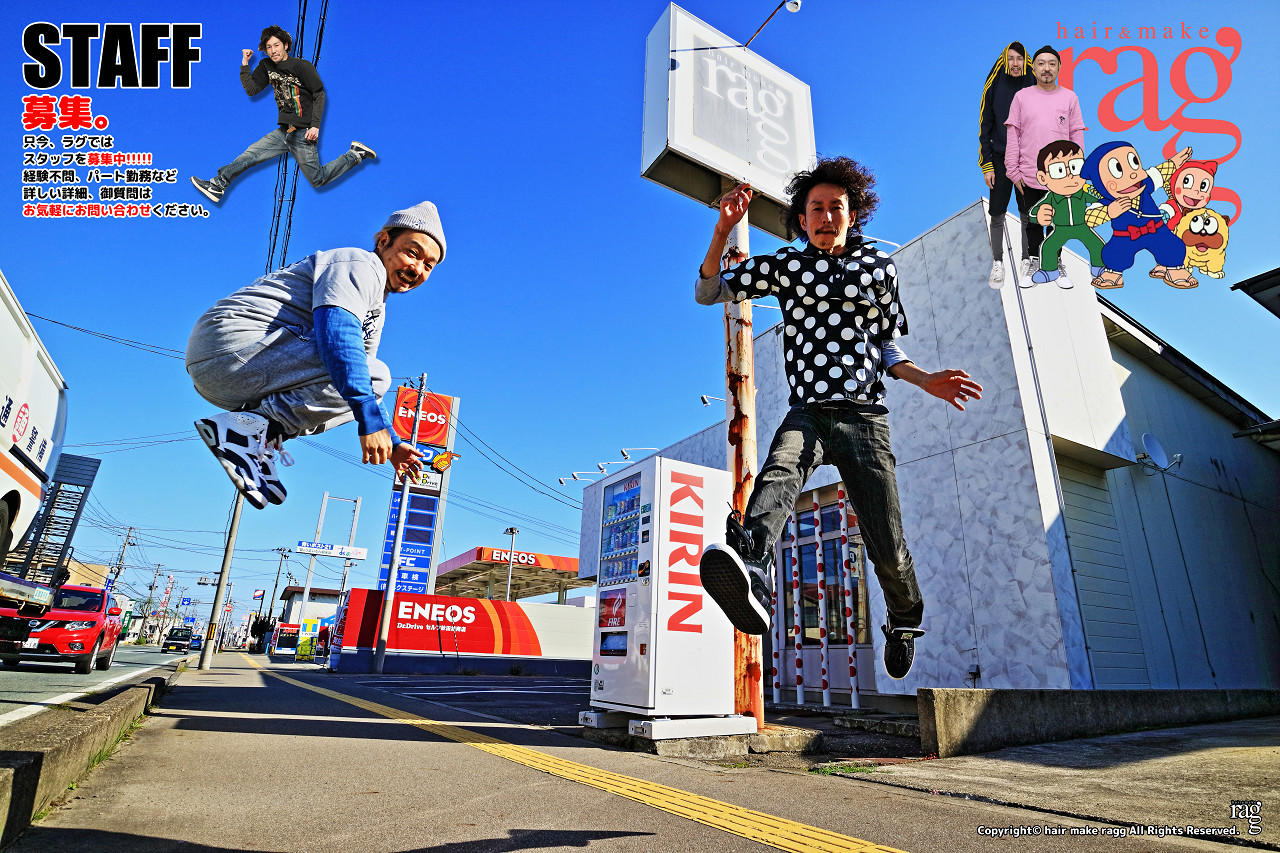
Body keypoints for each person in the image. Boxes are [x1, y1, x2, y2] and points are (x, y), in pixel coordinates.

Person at [693, 157, 983, 680]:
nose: (826, 217)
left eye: (836, 208)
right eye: (815, 209)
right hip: (809, 411)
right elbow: (708, 290)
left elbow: (886, 345)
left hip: (864, 417)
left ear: (853, 214)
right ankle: (752, 567)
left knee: (886, 542)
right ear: (802, 219)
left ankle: (904, 618)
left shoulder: (878, 266)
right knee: (780, 471)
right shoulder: (787, 265)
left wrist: (925, 379)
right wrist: (722, 230)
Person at [186, 201, 445, 508]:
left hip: (236, 370)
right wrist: (370, 423)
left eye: (428, 265)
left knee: (361, 381)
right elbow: (339, 337)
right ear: (384, 240)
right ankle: (246, 431)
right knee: (365, 373)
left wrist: (393, 441)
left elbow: (365, 384)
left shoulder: (376, 305)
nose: (417, 269)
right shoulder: (361, 264)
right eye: (412, 253)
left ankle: (256, 434)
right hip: (230, 346)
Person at [190, 25, 375, 203]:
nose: (273, 51)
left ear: (285, 45)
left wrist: (315, 126)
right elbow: (252, 90)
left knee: (317, 179)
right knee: (249, 156)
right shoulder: (266, 65)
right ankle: (218, 185)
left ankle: (355, 154)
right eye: (269, 47)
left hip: (303, 133)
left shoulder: (302, 66)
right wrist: (245, 64)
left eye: (276, 45)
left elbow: (319, 94)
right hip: (283, 132)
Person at [1004, 45, 1085, 286]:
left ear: (1059, 68)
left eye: (1052, 64)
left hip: (1062, 175)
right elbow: (1013, 134)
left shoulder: (1069, 98)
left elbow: (1076, 134)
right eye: (1041, 63)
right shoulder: (1021, 97)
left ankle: (1055, 264)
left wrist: (1078, 169)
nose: (1046, 68)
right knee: (1032, 220)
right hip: (1029, 172)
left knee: (1059, 221)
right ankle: (1032, 263)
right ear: (1034, 68)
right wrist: (1012, 170)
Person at [978, 41, 1034, 287]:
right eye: (1010, 58)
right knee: (997, 213)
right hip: (1000, 157)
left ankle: (1027, 261)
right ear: (1004, 60)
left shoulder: (1033, 81)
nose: (1015, 63)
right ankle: (998, 263)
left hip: (1026, 159)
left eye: (1019, 58)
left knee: (1027, 212)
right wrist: (987, 164)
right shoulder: (995, 82)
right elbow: (985, 123)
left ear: (1025, 61)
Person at [1029, 140, 1106, 286]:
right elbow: (1034, 213)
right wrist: (1039, 215)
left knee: (1097, 244)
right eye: (1059, 170)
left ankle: (1099, 267)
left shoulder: (1083, 192)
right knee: (1049, 246)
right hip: (1061, 229)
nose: (1069, 175)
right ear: (1043, 178)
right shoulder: (1051, 197)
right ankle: (1049, 271)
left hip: (1083, 226)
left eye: (1075, 167)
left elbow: (1101, 200)